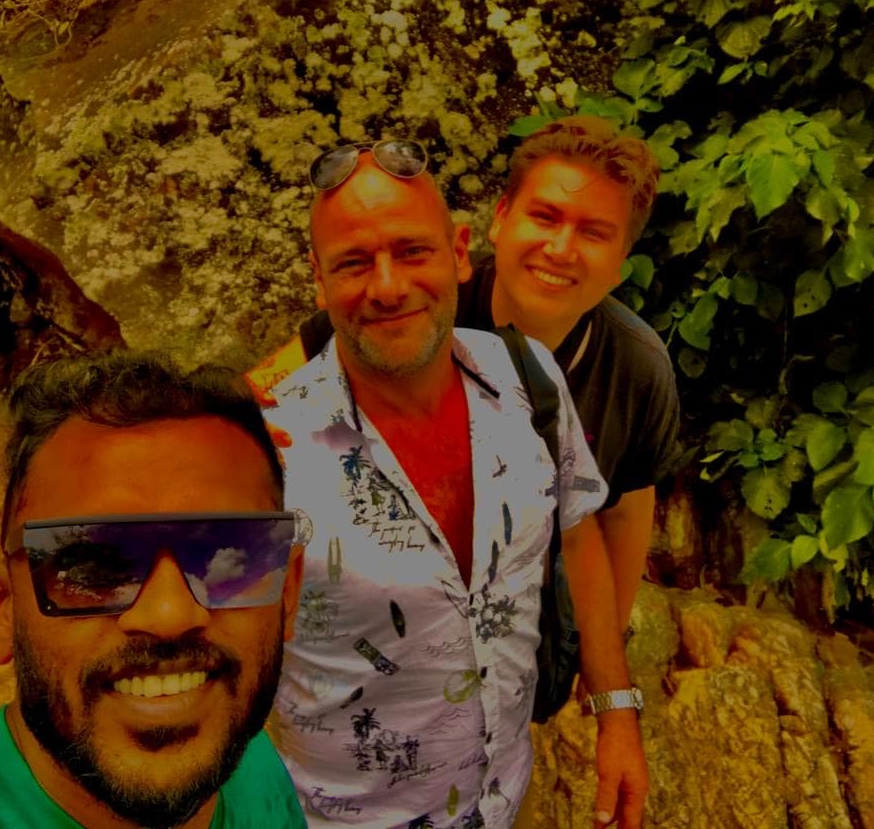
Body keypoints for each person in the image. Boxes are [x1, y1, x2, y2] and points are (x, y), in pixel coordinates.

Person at [264, 141, 647, 829]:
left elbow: (577, 530)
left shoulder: (528, 378)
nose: (388, 287)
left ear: (460, 252)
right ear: (318, 281)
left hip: (506, 797)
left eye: (412, 251)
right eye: (354, 263)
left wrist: (616, 708)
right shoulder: (272, 456)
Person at [0, 352, 308, 829]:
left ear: (287, 594)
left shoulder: (250, 759)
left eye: (232, 554)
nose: (169, 614)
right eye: (90, 566)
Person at [284, 115, 680, 640]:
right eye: (545, 217)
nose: (560, 249)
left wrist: (602, 651)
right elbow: (257, 397)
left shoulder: (636, 368)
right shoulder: (422, 298)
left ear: (620, 264)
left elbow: (625, 511)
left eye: (593, 233)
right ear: (500, 219)